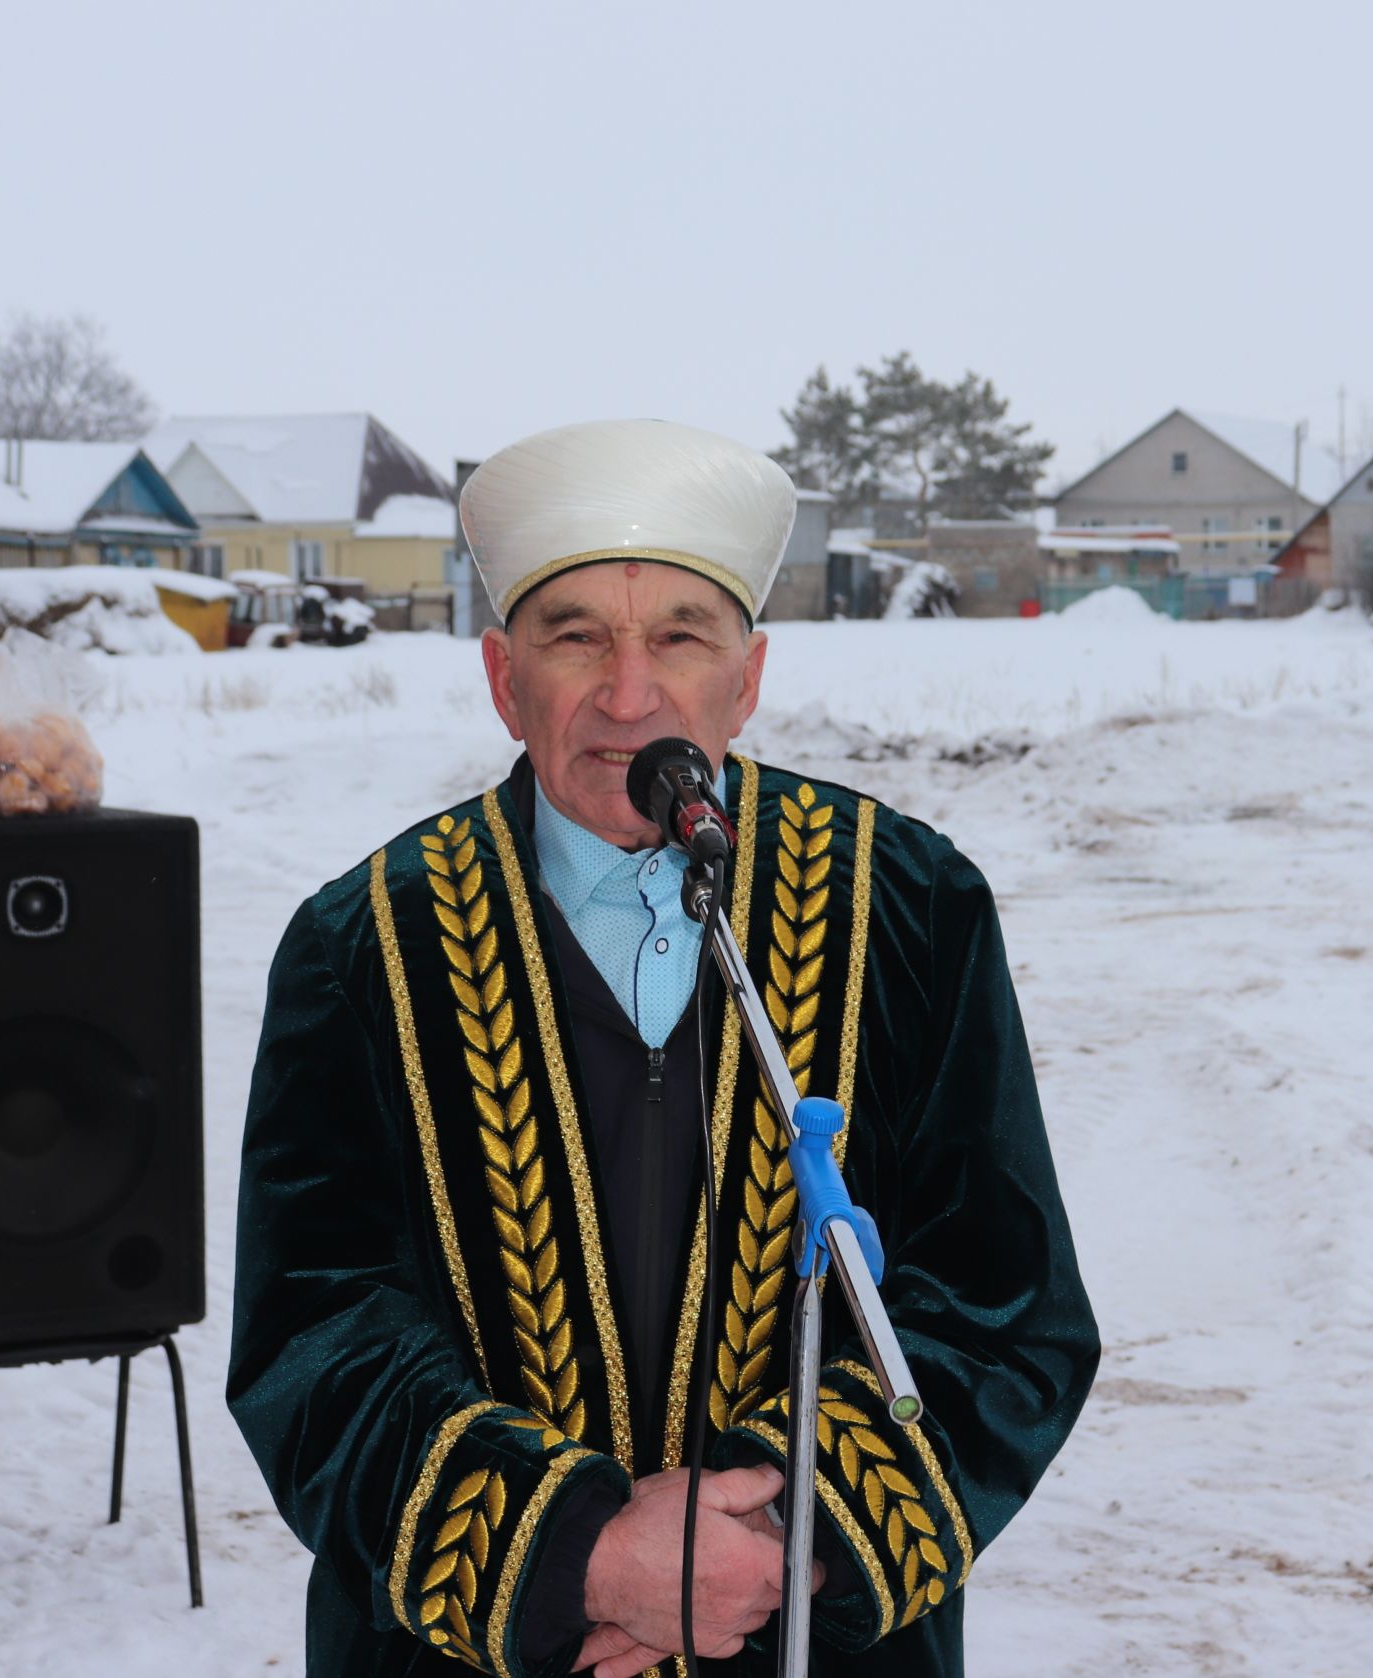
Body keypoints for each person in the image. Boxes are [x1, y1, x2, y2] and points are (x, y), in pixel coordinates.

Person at [228, 419, 1099, 1677]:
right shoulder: (360, 944)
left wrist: (770, 1546)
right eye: (573, 634)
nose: (628, 696)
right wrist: (578, 1550)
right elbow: (317, 1338)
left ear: (745, 679)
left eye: (680, 636)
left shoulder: (908, 906)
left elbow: (1007, 1312)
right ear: (499, 676)